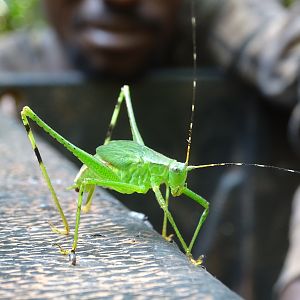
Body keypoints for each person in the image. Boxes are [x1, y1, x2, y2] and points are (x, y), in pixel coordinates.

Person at [1, 0, 300, 298]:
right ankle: (70, 233)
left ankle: (181, 248)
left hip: (138, 164)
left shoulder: (226, 17)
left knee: (198, 203)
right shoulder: (13, 59)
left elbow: (202, 207)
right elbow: (163, 203)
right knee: (34, 117)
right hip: (112, 168)